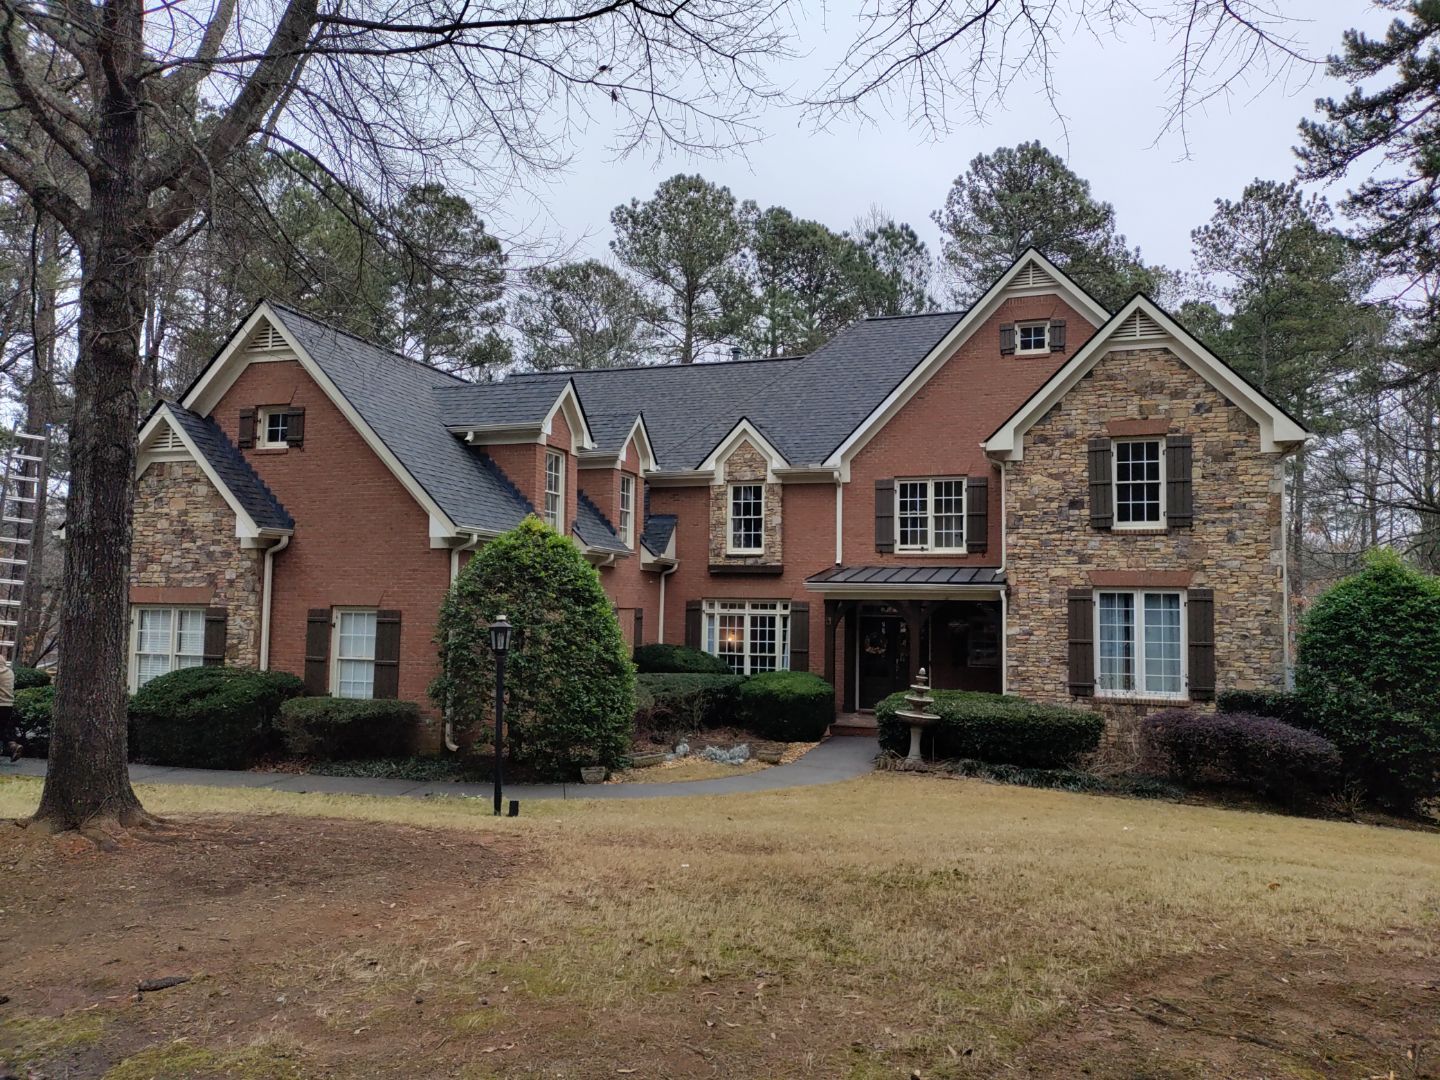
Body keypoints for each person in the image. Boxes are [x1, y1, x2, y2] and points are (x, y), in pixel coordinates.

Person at [0, 653, 17, 762]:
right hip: (8, 706)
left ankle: (12, 745)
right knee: (1, 730)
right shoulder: (10, 672)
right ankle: (12, 745)